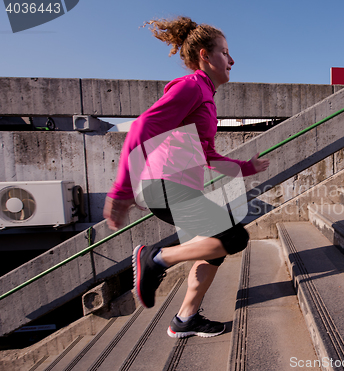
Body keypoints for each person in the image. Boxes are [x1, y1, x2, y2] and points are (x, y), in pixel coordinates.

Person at [103, 16, 269, 339]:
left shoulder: (206, 96)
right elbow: (140, 127)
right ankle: (153, 259)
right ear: (205, 56)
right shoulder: (191, 87)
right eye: (225, 52)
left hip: (177, 184)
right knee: (233, 237)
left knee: (217, 249)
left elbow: (206, 152)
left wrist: (243, 167)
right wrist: (121, 189)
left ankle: (185, 318)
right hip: (163, 184)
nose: (232, 60)